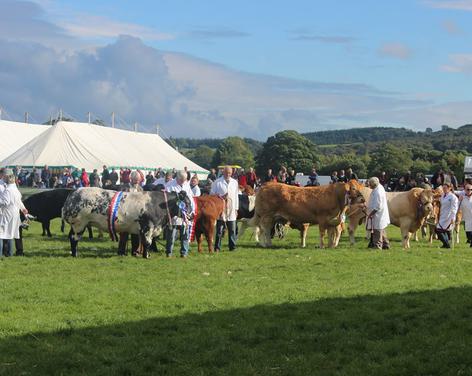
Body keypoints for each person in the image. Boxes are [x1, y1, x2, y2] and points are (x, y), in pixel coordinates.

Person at [165, 171, 194, 258]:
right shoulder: (169, 185)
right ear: (177, 177)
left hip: (185, 215)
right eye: (181, 179)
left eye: (184, 180)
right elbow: (166, 201)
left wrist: (191, 212)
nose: (182, 181)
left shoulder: (186, 185)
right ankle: (169, 253)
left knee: (185, 235)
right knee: (171, 236)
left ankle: (184, 253)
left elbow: (191, 199)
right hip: (174, 215)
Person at [0, 169, 28, 257]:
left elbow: (10, 200)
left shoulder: (10, 188)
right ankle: (8, 253)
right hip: (9, 212)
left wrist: (23, 208)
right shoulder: (4, 185)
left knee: (6, 233)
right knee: (8, 233)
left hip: (7, 212)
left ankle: (7, 253)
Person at [211, 166, 239, 252]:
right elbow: (212, 194)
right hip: (221, 208)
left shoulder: (234, 182)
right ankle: (217, 247)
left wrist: (236, 209)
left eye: (229, 173)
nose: (228, 174)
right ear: (223, 172)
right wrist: (220, 197)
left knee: (232, 229)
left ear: (232, 173)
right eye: (226, 173)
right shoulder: (217, 182)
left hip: (231, 208)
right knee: (219, 230)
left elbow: (236, 196)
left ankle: (232, 247)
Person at [366, 177, 390, 250]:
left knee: (377, 230)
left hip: (378, 214)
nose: (369, 186)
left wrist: (371, 214)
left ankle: (377, 245)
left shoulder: (378, 192)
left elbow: (377, 206)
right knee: (381, 229)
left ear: (374, 184)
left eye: (370, 184)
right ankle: (386, 244)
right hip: (380, 213)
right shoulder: (379, 187)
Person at [436, 182, 459, 249]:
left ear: (450, 188)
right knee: (442, 230)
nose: (444, 189)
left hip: (449, 216)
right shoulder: (443, 195)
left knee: (438, 230)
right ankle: (445, 244)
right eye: (443, 188)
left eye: (445, 188)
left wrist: (453, 218)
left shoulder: (453, 197)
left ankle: (447, 244)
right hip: (443, 215)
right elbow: (440, 201)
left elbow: (454, 208)